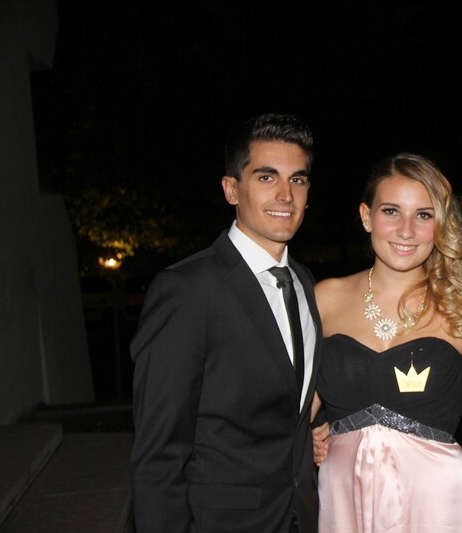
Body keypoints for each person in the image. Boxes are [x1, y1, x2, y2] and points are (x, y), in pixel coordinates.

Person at [129, 113, 321, 533]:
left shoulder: (304, 283)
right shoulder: (186, 290)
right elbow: (159, 452)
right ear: (231, 189)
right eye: (267, 177)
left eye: (298, 180)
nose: (286, 195)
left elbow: (288, 410)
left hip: (300, 517)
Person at [311, 153, 462, 532]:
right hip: (344, 500)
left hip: (435, 505)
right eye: (391, 211)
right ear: (366, 216)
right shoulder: (324, 299)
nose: (406, 230)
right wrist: (306, 438)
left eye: (423, 215)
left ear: (440, 224)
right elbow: (293, 410)